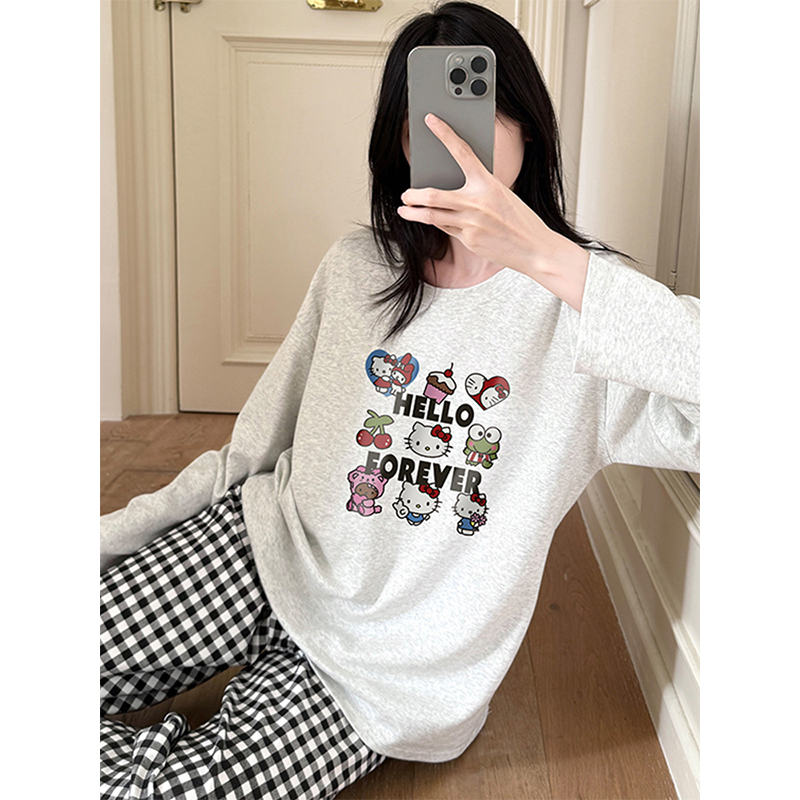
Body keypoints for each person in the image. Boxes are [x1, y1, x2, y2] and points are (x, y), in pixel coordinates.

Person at [100, 2, 699, 798]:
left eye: (472, 110)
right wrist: (104, 543)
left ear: (528, 127)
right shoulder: (357, 267)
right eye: (423, 120)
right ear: (399, 141)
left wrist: (545, 256)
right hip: (262, 552)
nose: (446, 137)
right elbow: (252, 451)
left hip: (383, 673)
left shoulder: (585, 312)